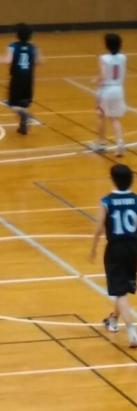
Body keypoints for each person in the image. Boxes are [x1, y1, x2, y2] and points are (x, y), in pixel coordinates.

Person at [89, 164, 137, 348]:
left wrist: (93, 249)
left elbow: (99, 227)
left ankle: (131, 331)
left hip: (116, 248)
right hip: (133, 247)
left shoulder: (107, 200)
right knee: (122, 285)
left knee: (120, 291)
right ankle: (113, 319)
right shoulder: (136, 199)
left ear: (112, 180)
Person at [0, 23, 41, 135]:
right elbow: (39, 61)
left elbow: (8, 60)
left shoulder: (12, 46)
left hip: (17, 78)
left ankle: (25, 116)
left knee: (13, 105)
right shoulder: (33, 47)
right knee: (23, 104)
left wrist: (1, 59)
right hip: (28, 79)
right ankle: (22, 126)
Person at [91, 33, 126, 157]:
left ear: (106, 44)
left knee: (100, 115)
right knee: (115, 118)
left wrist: (96, 79)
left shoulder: (103, 58)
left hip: (106, 89)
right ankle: (120, 142)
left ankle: (101, 143)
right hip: (118, 89)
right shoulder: (123, 57)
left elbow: (103, 75)